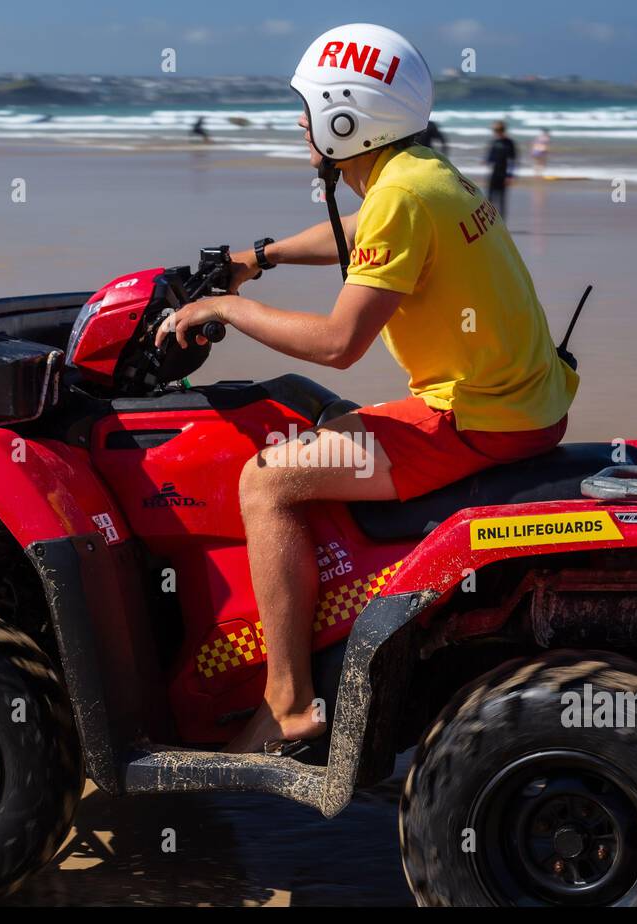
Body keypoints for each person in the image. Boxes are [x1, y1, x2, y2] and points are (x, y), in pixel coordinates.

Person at [156, 24, 579, 754]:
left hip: (475, 417)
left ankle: (287, 701)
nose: (300, 122)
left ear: (345, 117)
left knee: (266, 480)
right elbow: (361, 232)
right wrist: (258, 256)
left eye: (309, 107)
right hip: (526, 401)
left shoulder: (402, 198)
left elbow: (337, 344)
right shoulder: (423, 175)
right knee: (322, 422)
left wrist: (224, 306)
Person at [485, 120, 517, 219]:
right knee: (489, 198)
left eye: (498, 129)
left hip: (504, 174)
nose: (496, 132)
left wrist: (510, 176)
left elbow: (512, 160)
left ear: (503, 130)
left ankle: (502, 222)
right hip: (494, 173)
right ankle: (489, 221)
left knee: (501, 200)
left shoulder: (509, 143)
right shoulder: (494, 142)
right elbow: (490, 157)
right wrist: (486, 160)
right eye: (495, 130)